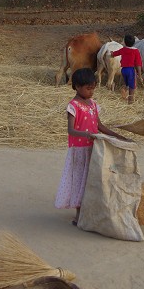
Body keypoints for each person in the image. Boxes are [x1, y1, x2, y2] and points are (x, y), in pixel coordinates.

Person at [55, 68, 130, 225]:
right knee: (79, 181)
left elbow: (99, 126)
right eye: (88, 88)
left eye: (93, 88)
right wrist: (86, 134)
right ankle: (78, 215)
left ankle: (91, 211)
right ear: (76, 86)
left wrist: (117, 136)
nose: (91, 92)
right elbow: (71, 130)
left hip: (94, 149)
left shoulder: (93, 105)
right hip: (79, 151)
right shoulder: (73, 106)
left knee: (92, 180)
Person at [111, 35, 143, 104]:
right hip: (131, 70)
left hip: (123, 70)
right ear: (134, 42)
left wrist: (111, 53)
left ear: (125, 42)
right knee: (132, 86)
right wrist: (139, 74)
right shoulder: (136, 51)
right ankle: (130, 101)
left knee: (127, 84)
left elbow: (115, 53)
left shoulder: (123, 49)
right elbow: (138, 63)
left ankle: (124, 92)